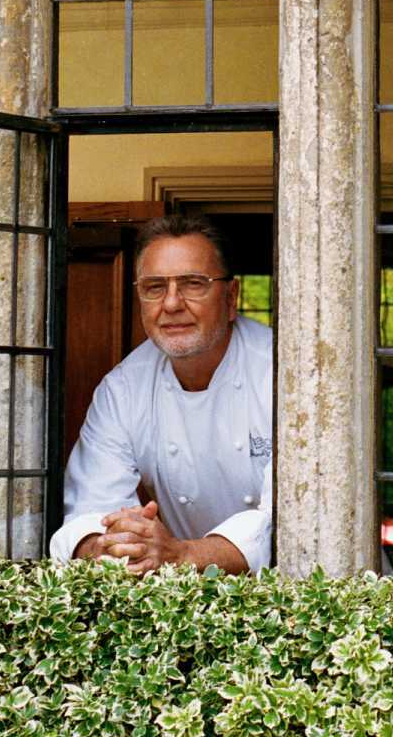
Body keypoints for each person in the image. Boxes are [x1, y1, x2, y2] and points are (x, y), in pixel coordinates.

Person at [48, 211, 273, 574]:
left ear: (231, 297)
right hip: (190, 600)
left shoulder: (283, 376)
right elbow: (90, 507)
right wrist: (113, 545)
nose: (171, 304)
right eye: (155, 287)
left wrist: (183, 555)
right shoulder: (123, 390)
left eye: (193, 284)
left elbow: (288, 520)